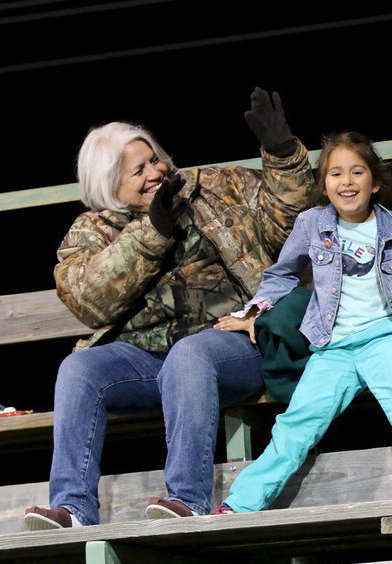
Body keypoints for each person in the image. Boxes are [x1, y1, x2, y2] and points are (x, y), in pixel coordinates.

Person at [24, 88, 316, 529]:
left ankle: (188, 498)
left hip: (238, 344)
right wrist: (153, 230)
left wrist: (281, 153)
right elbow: (88, 300)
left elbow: (291, 222)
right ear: (110, 188)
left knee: (191, 353)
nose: (155, 172)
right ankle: (74, 508)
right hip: (148, 360)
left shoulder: (213, 188)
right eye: (137, 171)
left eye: (154, 160)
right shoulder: (92, 230)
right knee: (79, 369)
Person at [211, 131, 392, 514]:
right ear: (324, 184)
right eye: (335, 174)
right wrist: (253, 311)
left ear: (375, 181)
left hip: (385, 338)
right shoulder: (311, 224)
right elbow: (282, 275)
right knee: (296, 424)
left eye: (357, 172)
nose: (346, 182)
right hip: (332, 348)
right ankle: (240, 504)